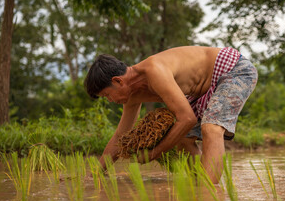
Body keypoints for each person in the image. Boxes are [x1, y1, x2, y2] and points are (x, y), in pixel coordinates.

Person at [84, 46, 257, 183]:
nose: (110, 100)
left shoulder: (154, 70)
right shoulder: (132, 96)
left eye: (107, 95)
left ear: (118, 81)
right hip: (201, 91)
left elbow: (187, 118)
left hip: (232, 68)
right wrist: (94, 175)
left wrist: (155, 153)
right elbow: (120, 136)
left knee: (211, 128)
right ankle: (199, 183)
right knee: (182, 138)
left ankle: (208, 194)